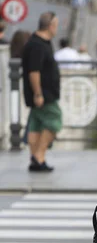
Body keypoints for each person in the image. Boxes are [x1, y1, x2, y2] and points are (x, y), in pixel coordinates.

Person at [22, 12, 61, 172]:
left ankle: (35, 160)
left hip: (42, 93)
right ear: (50, 26)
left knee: (36, 125)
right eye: (56, 25)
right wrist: (38, 93)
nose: (57, 29)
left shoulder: (41, 42)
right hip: (43, 95)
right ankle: (39, 156)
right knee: (54, 120)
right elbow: (34, 72)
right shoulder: (38, 45)